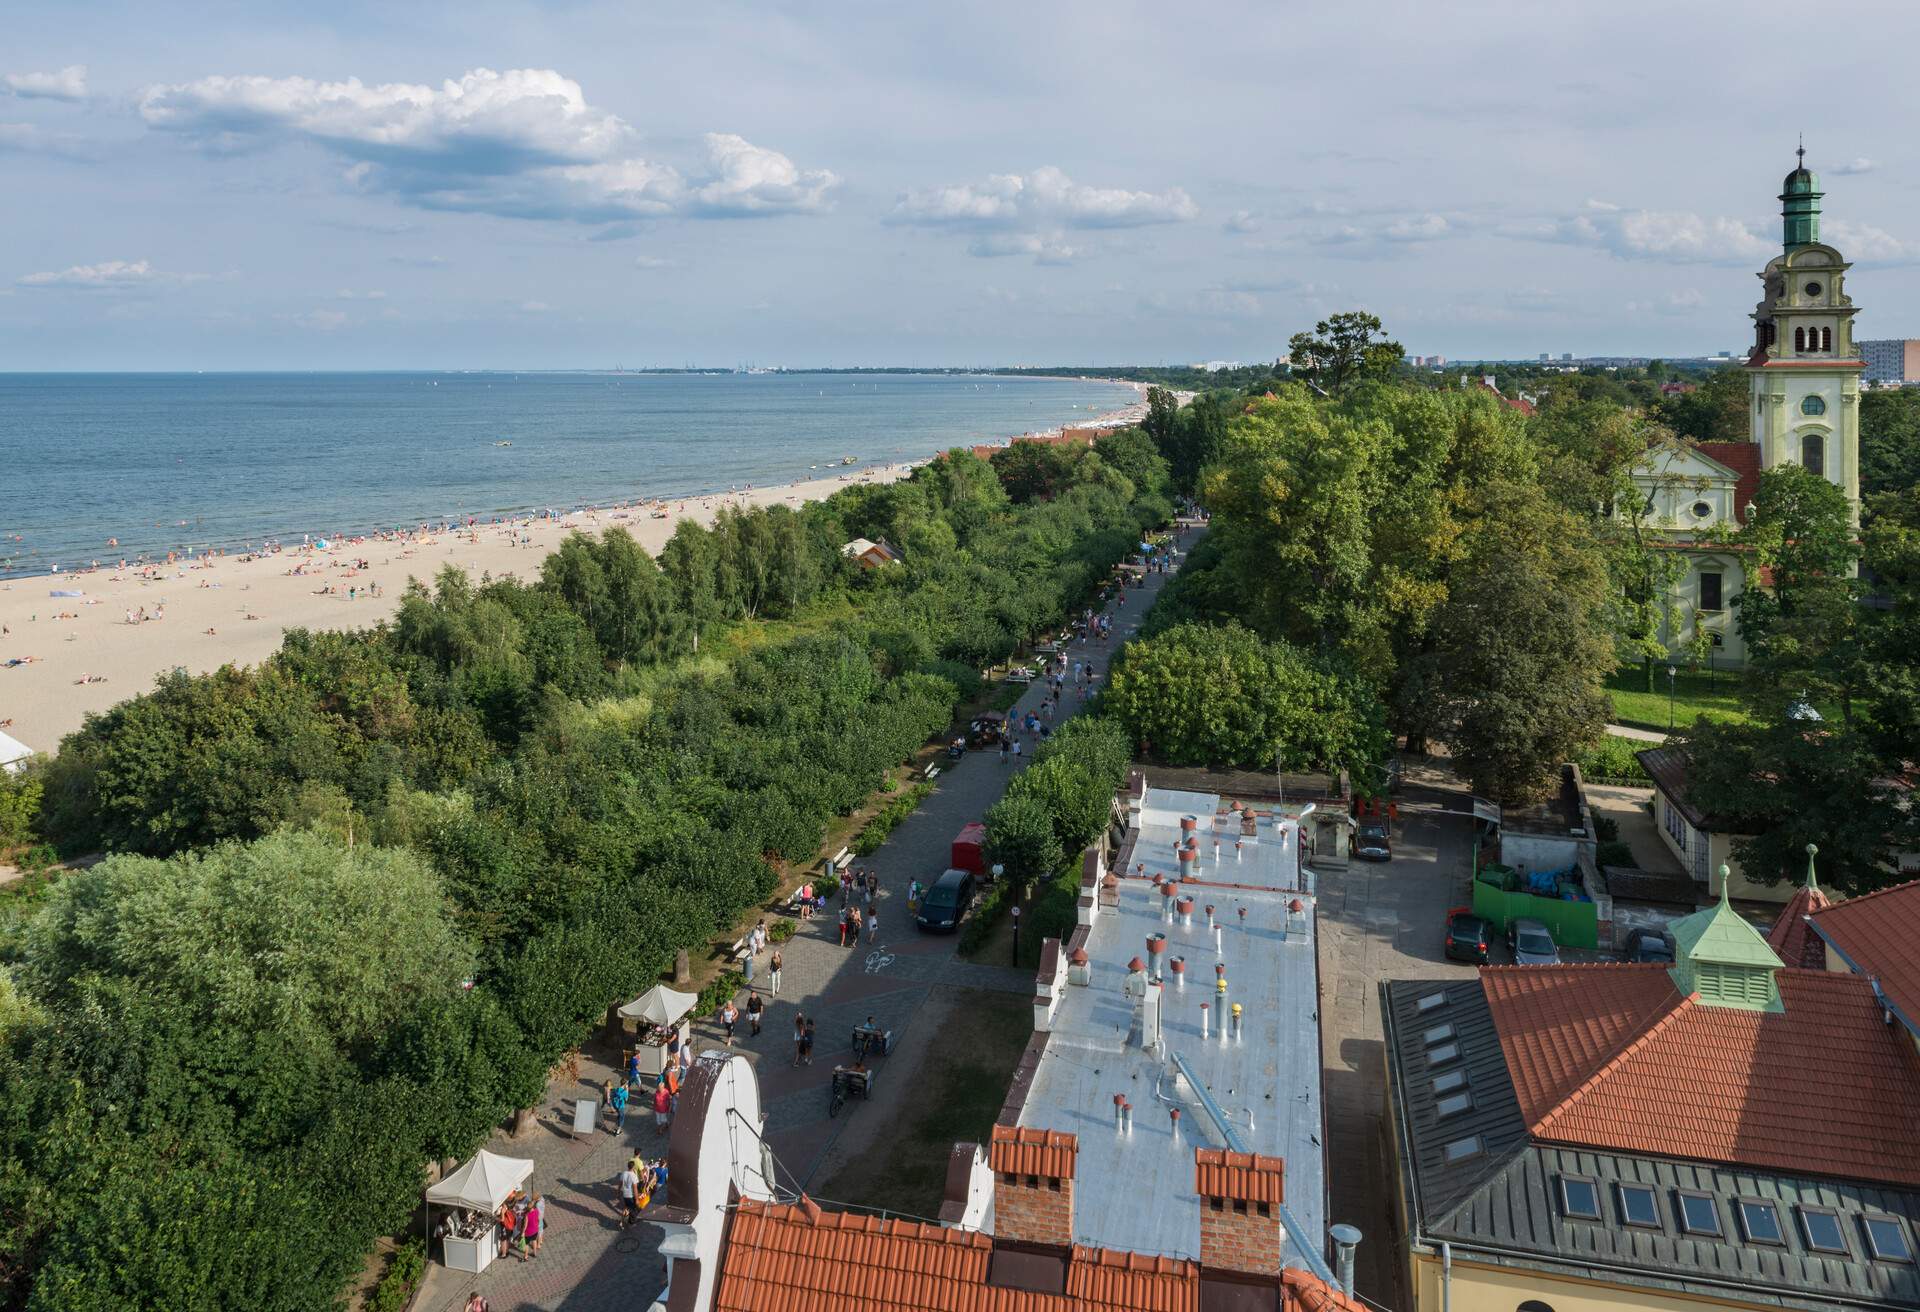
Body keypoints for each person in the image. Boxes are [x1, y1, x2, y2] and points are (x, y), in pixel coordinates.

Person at [617, 1161, 641, 1226]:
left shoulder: (624, 1173)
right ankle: (631, 1223)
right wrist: (637, 1199)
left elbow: (620, 1184)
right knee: (633, 1210)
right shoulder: (634, 1176)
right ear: (633, 1167)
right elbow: (635, 1189)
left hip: (625, 1195)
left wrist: (618, 1192)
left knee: (626, 1208)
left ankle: (621, 1221)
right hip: (631, 1196)